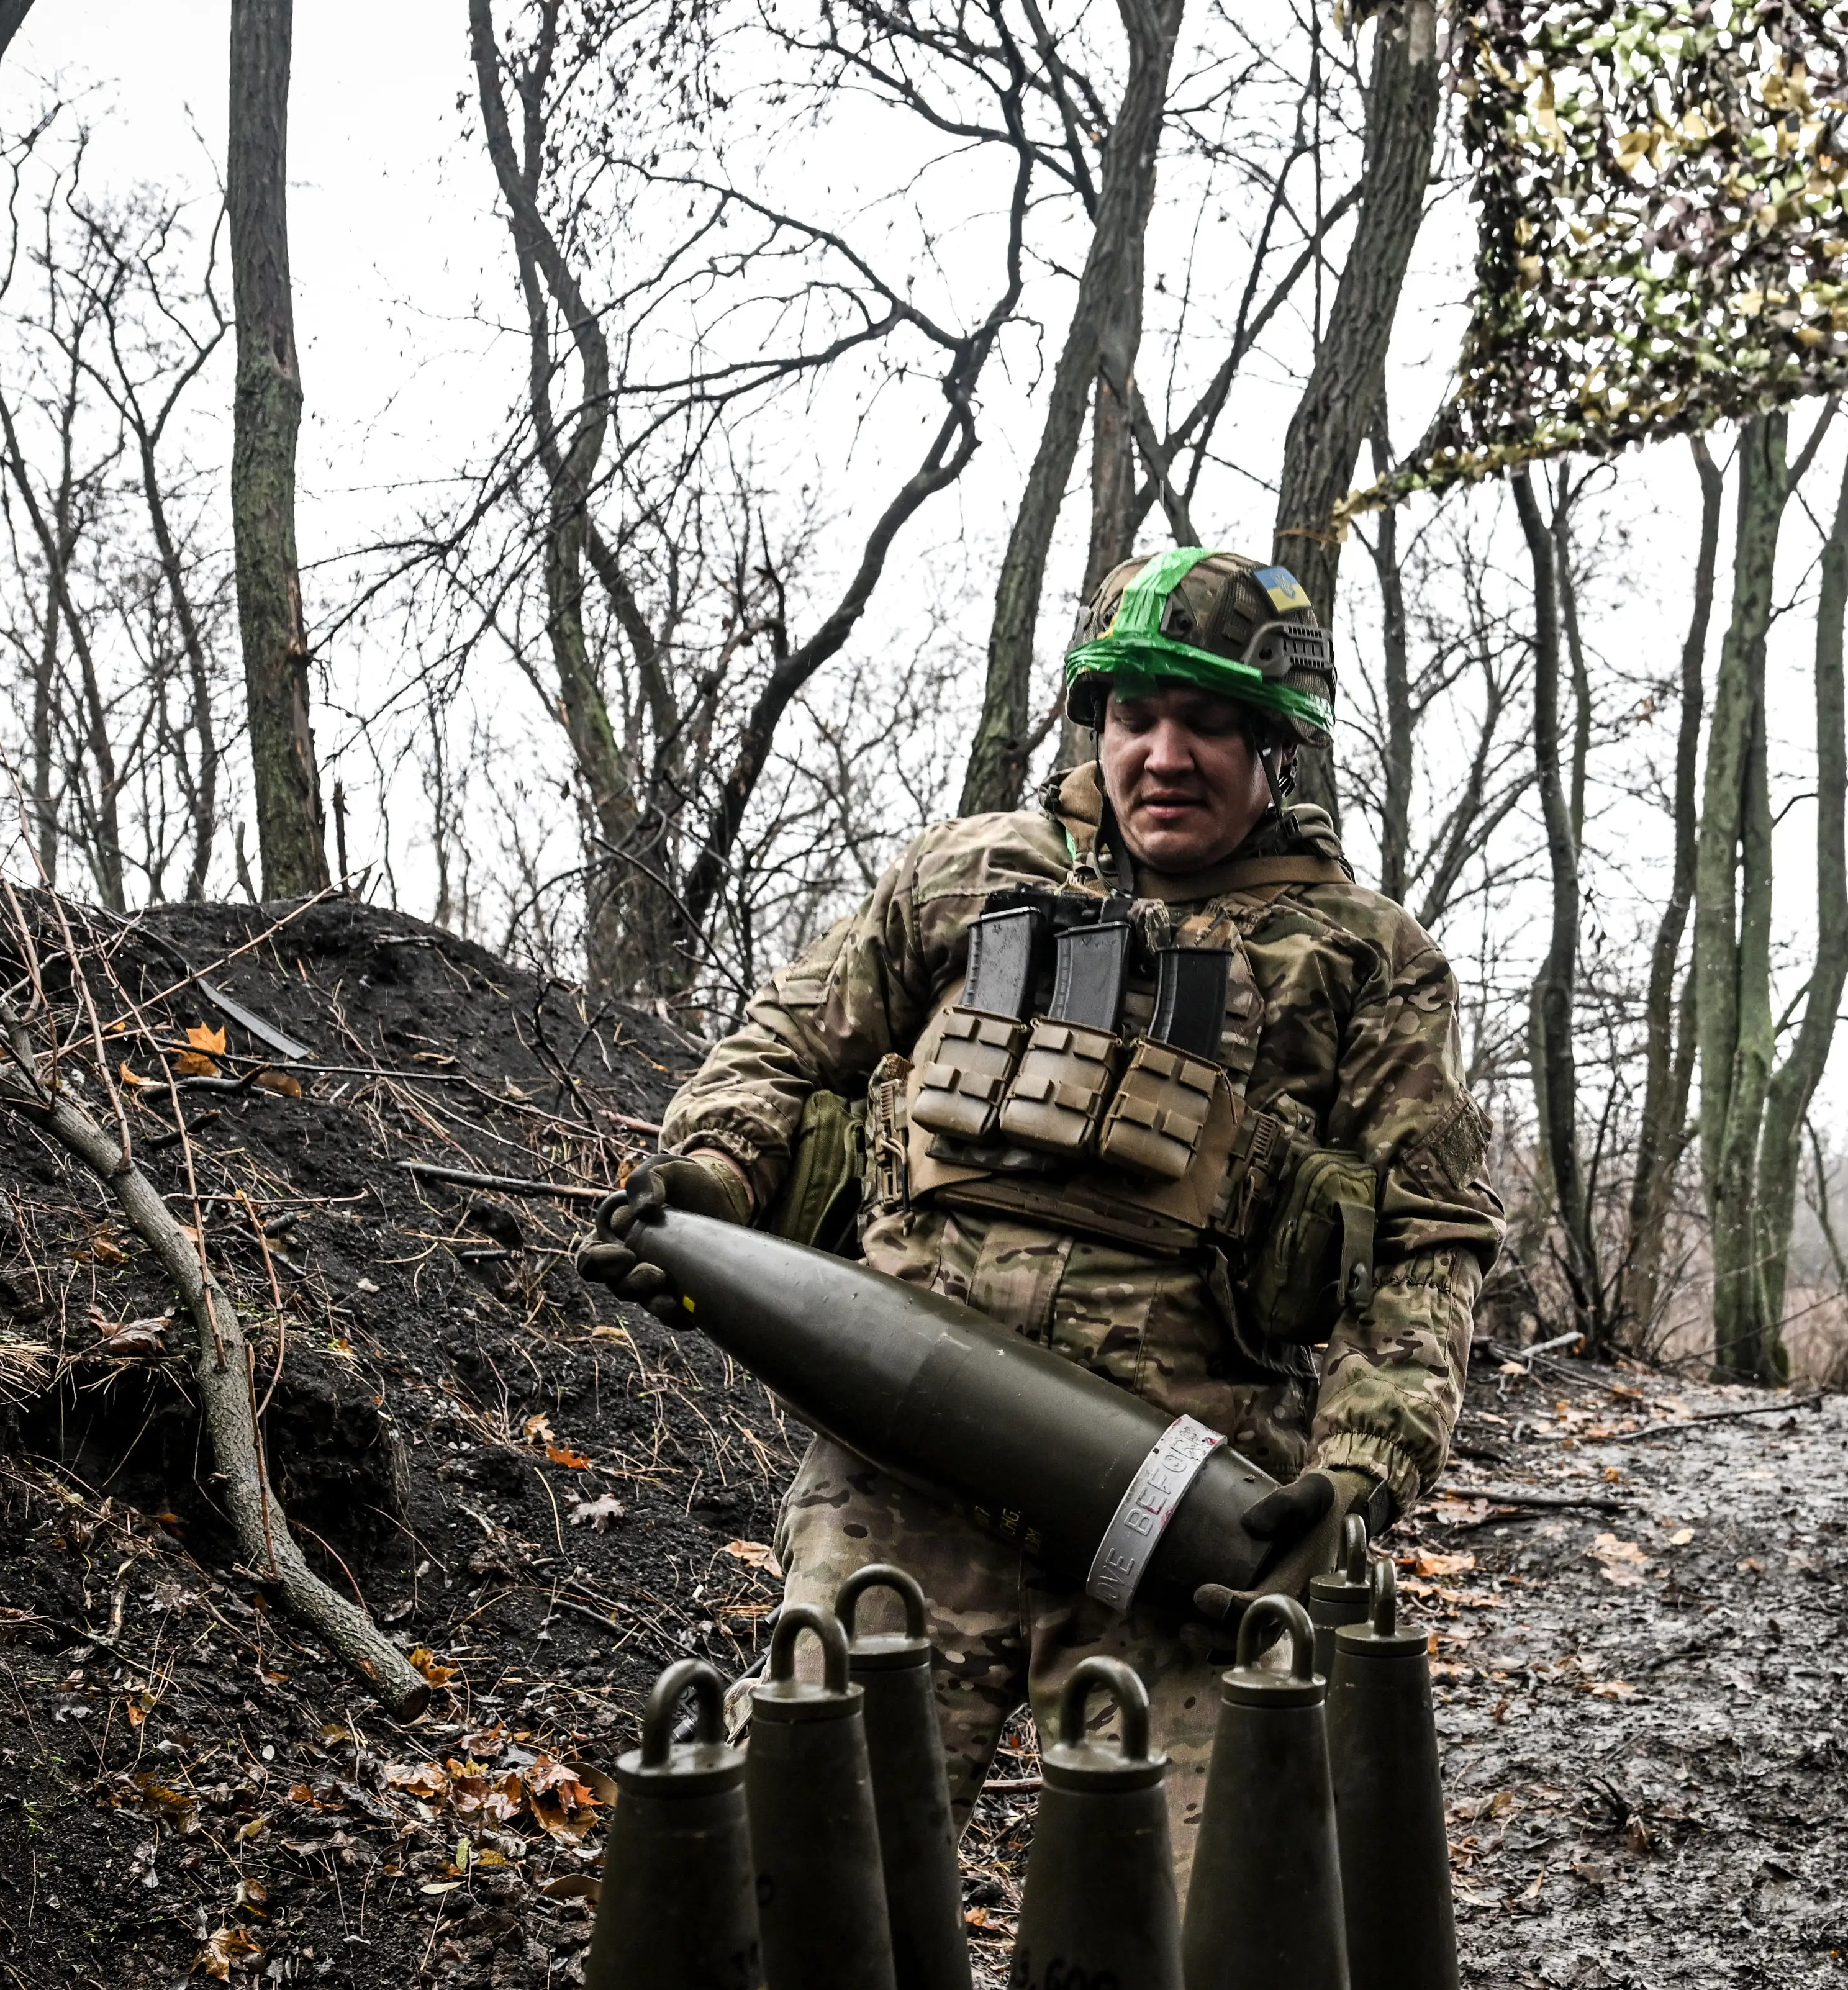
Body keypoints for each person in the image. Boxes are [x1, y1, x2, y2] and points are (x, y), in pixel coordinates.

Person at [581, 546, 1498, 1857]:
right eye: (1135, 715)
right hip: (900, 1484)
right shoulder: (967, 877)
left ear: (1277, 746)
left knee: (1201, 1942)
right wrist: (711, 1175)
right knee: (820, 1888)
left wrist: (1363, 1466)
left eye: (1207, 721)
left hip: (1187, 1508)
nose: (1164, 755)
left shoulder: (1364, 960)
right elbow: (787, 1048)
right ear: (1097, 724)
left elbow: (1429, 1232)